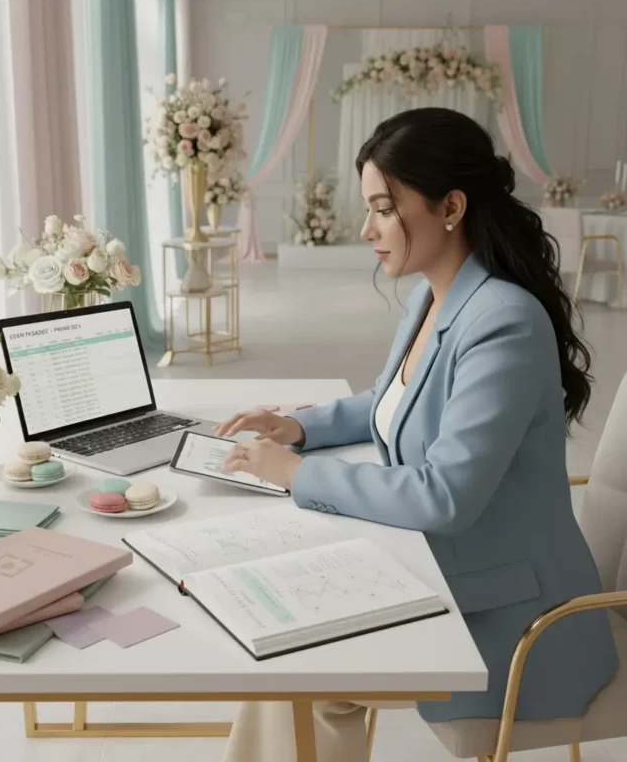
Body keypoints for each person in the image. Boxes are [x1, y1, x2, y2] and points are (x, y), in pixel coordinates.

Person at [215, 108, 619, 762]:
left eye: (382, 208)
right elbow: (390, 402)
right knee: (283, 642)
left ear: (450, 205)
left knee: (297, 663)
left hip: (517, 619)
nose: (367, 228)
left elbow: (444, 497)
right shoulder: (434, 297)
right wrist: (295, 426)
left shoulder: (504, 321)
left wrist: (294, 473)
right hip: (448, 569)